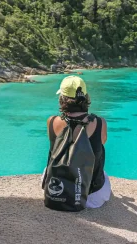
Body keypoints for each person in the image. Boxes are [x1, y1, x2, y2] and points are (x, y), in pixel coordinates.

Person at [46, 76, 111, 209]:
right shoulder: (99, 123)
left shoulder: (52, 121)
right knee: (103, 174)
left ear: (62, 98)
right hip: (91, 198)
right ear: (86, 97)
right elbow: (102, 142)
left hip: (55, 193)